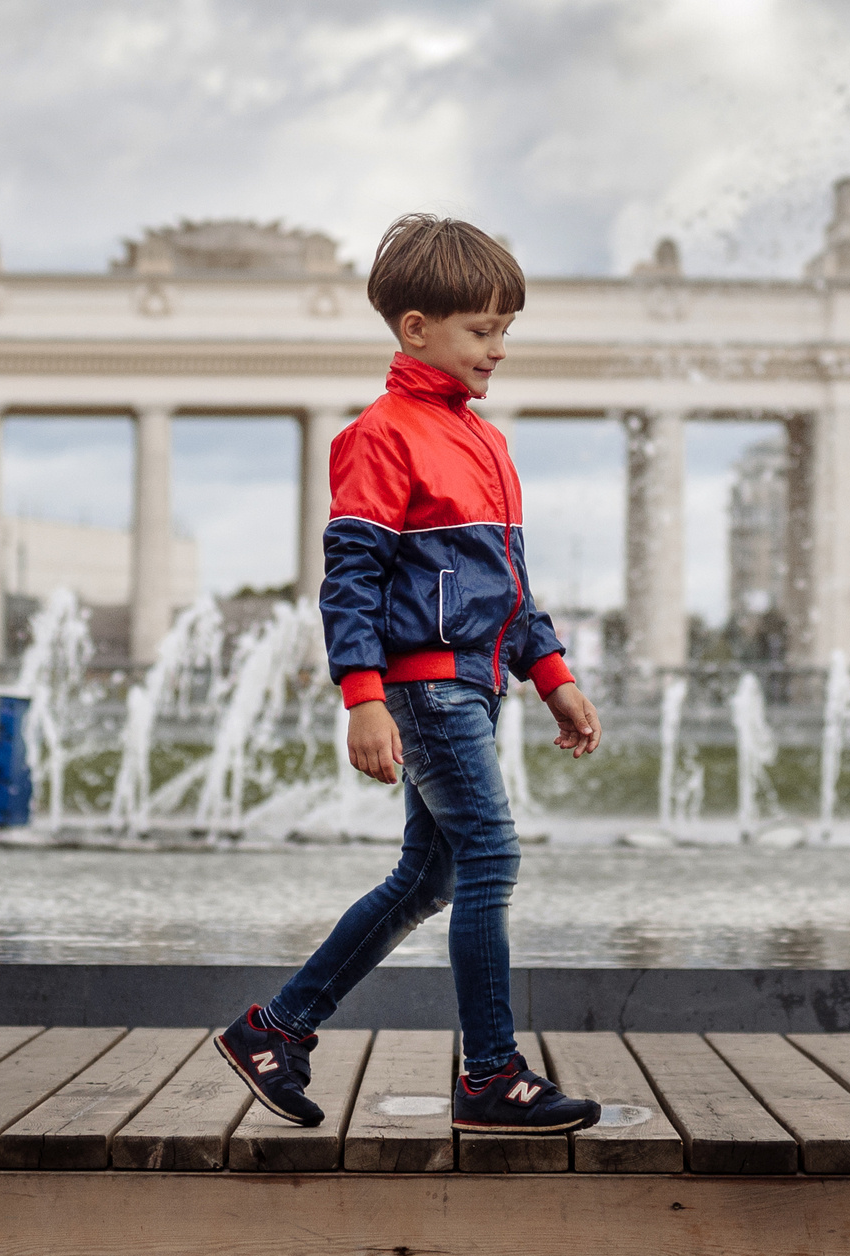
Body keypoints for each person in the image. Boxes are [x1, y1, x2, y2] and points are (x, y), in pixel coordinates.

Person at [212, 212, 605, 1134]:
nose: (499, 349)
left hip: (477, 682)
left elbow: (508, 585)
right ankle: (490, 1074)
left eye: (506, 330)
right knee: (491, 857)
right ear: (416, 328)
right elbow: (350, 581)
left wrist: (552, 673)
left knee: (430, 877)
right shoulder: (380, 437)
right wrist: (364, 697)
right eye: (483, 330)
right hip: (426, 687)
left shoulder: (486, 444)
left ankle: (274, 1031)